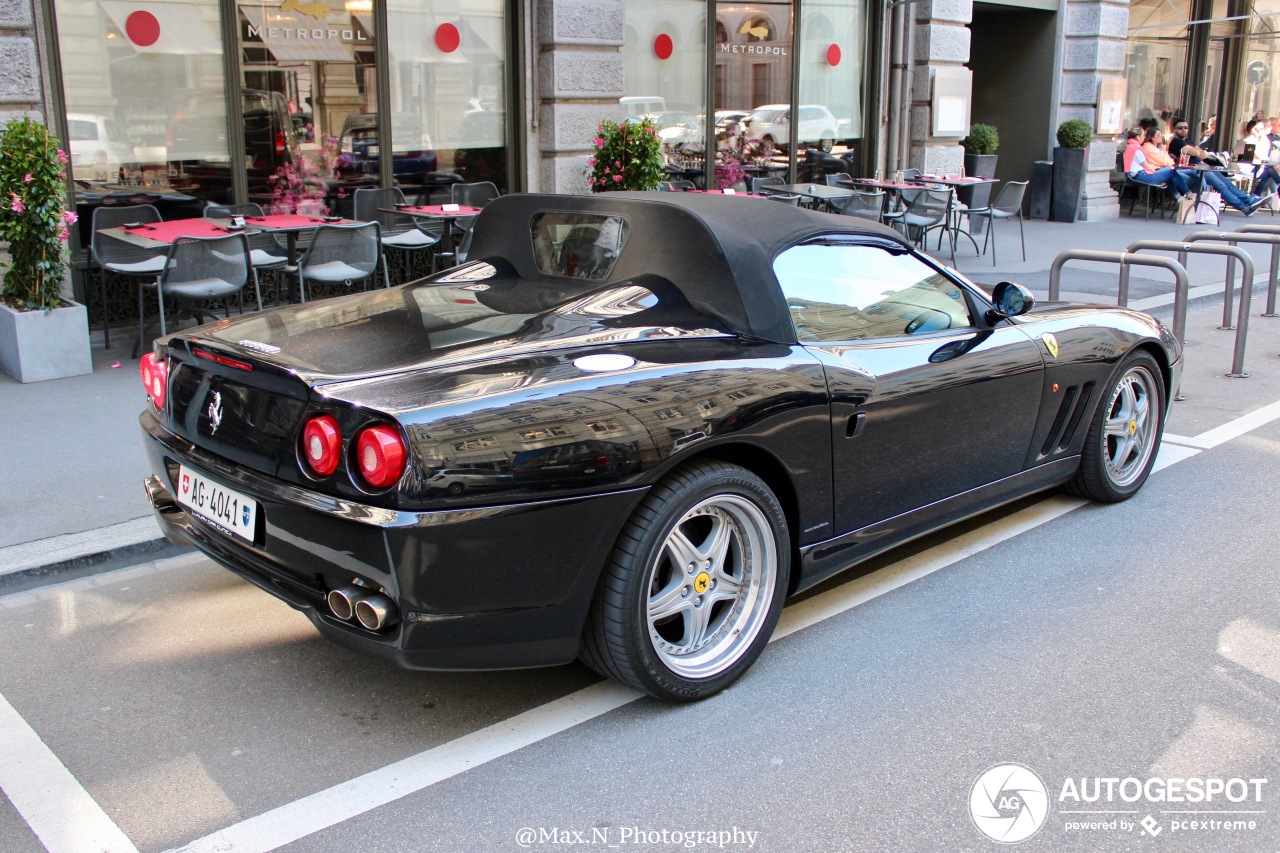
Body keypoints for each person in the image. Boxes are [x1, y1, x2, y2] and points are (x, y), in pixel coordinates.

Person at [1167, 117, 1265, 215]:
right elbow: (1198, 153)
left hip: (1202, 167)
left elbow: (1201, 153)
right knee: (1221, 186)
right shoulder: (1176, 142)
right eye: (1180, 128)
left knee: (1227, 183)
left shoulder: (1189, 141)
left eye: (1185, 128)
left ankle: (1249, 201)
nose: (1183, 130)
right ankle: (1244, 208)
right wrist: (1198, 152)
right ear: (1175, 130)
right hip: (1192, 169)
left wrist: (1199, 152)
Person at [1123, 127, 1193, 200]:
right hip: (1141, 176)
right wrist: (1156, 174)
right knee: (1171, 172)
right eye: (1143, 135)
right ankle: (1187, 193)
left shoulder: (1131, 146)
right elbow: (1146, 165)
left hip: (1137, 175)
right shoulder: (1137, 148)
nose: (1144, 137)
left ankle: (1179, 197)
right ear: (1137, 137)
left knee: (1168, 173)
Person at [1235, 119, 1280, 195]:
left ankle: (1256, 195)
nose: (1263, 131)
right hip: (1242, 169)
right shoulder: (1248, 141)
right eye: (1261, 129)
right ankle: (1256, 195)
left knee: (1269, 171)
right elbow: (1256, 157)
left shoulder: (1251, 140)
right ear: (1254, 130)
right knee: (1269, 170)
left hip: (1247, 167)